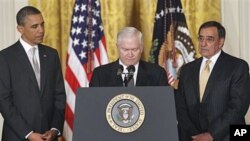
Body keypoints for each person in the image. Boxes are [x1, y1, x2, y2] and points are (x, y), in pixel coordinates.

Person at [175, 21, 250, 141]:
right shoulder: (187, 70)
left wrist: (211, 134)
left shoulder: (237, 67)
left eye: (209, 39)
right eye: (201, 38)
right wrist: (195, 135)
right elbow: (180, 106)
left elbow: (238, 107)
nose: (203, 43)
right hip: (193, 137)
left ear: (221, 42)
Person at [0, 6, 66, 141]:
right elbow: (4, 101)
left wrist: (54, 129)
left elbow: (59, 96)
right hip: (17, 136)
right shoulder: (5, 57)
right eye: (34, 26)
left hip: (48, 136)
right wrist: (28, 133)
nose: (41, 30)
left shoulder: (52, 55)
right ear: (20, 29)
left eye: (42, 24)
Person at [89, 27, 168, 87]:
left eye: (134, 49)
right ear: (118, 47)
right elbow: (93, 105)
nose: (130, 54)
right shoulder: (100, 74)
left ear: (141, 48)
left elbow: (163, 105)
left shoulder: (157, 74)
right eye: (125, 50)